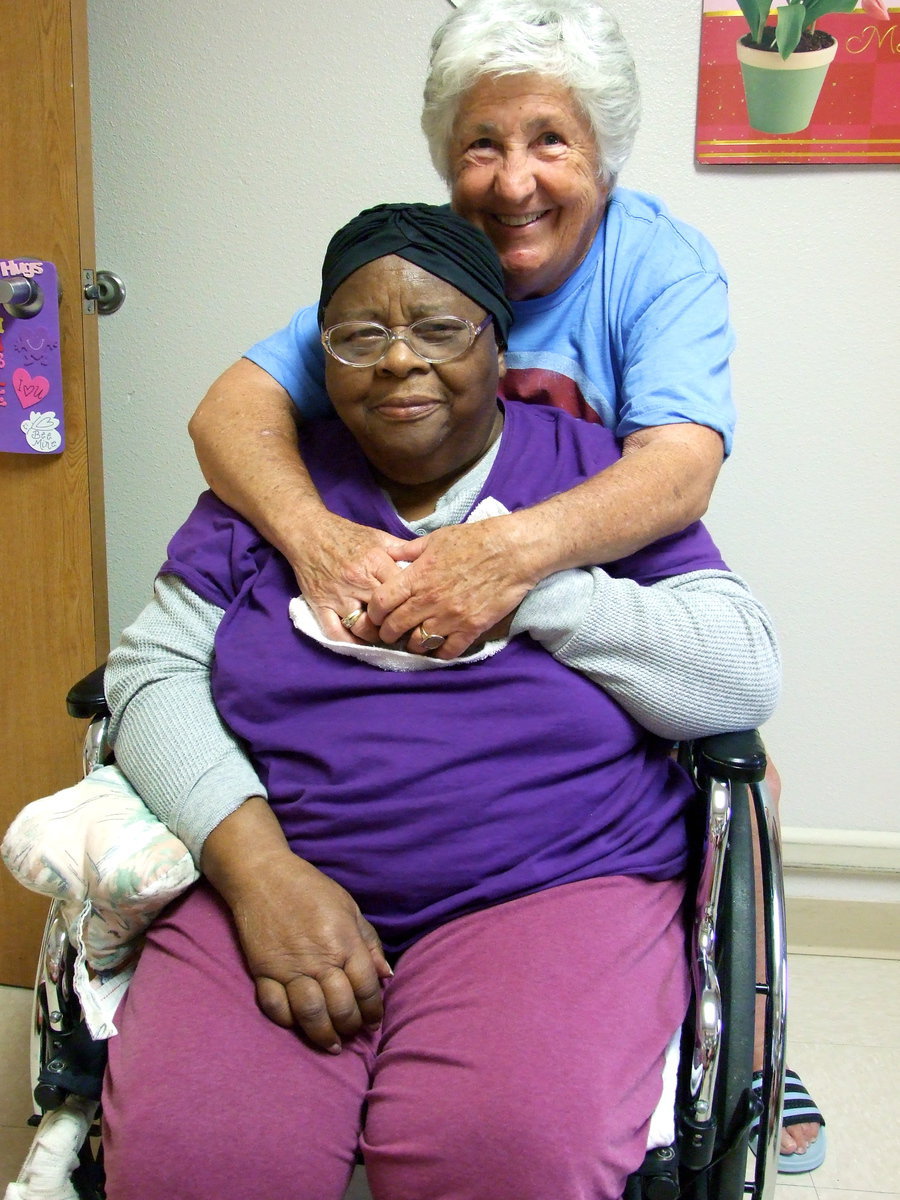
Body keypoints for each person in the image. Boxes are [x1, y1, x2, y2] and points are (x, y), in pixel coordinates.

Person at [185, 0, 824, 1168]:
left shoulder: (654, 263)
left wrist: (511, 558)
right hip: (394, 666)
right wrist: (319, 539)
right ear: (444, 158)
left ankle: (764, 1033)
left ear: (603, 155)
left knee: (741, 759)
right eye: (484, 144)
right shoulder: (410, 271)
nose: (515, 179)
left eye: (550, 141)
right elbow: (232, 410)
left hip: (586, 555)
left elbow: (678, 467)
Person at [102, 203, 780, 1200]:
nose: (398, 361)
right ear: (320, 360)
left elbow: (740, 671)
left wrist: (529, 579)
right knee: (194, 1162)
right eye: (359, 336)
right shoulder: (272, 490)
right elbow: (148, 674)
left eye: (438, 328)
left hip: (554, 879)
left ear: (498, 344)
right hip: (282, 874)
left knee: (506, 1153)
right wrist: (256, 872)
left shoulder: (588, 477)